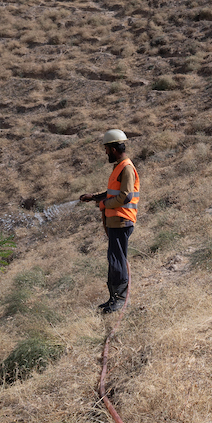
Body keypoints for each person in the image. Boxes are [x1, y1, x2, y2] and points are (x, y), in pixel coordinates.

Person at [80, 129, 141, 314]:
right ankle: (113, 298)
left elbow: (125, 197)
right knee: (114, 259)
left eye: (106, 149)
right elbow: (114, 192)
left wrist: (105, 203)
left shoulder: (127, 167)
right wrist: (94, 197)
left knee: (117, 260)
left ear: (113, 149)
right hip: (116, 221)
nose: (106, 152)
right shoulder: (119, 166)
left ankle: (120, 300)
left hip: (122, 220)